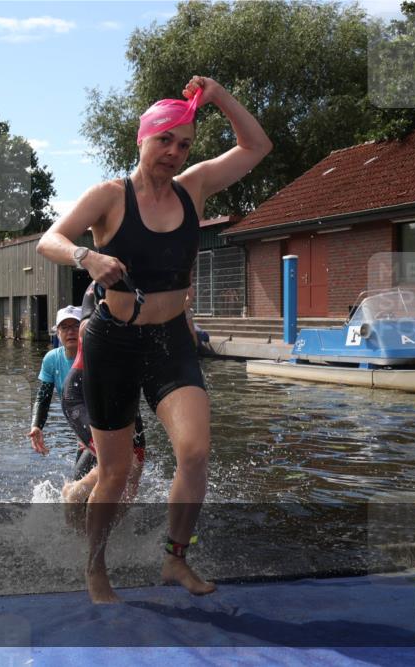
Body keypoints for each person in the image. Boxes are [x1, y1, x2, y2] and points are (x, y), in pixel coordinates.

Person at [37, 75, 272, 603]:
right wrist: (86, 256)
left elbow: (257, 146)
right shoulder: (109, 196)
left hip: (169, 341)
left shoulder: (194, 187)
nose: (174, 151)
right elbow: (50, 240)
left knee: (195, 451)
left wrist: (219, 97)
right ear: (142, 139)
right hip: (113, 344)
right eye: (164, 139)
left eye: (184, 144)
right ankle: (96, 567)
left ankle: (174, 557)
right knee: (116, 472)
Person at [60, 283, 146, 501]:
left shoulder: (149, 286)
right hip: (83, 391)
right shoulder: (100, 283)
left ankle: (117, 520)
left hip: (124, 391)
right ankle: (74, 496)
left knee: (134, 469)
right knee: (118, 462)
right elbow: (85, 330)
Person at [28, 305, 81, 460]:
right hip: (82, 427)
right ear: (58, 333)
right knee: (83, 473)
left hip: (106, 424)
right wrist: (37, 425)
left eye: (76, 326)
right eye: (64, 327)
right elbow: (43, 397)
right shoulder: (52, 359)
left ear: (85, 329)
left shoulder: (94, 355)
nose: (70, 332)